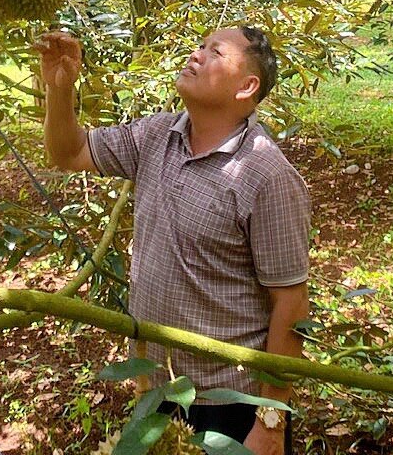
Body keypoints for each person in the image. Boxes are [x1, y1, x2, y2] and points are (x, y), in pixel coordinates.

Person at [36, 25, 310, 455]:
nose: (196, 55)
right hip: (158, 385)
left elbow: (290, 305)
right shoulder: (156, 135)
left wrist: (271, 420)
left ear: (247, 86)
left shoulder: (266, 175)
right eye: (200, 46)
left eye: (214, 51)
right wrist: (60, 88)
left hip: (232, 399)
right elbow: (67, 153)